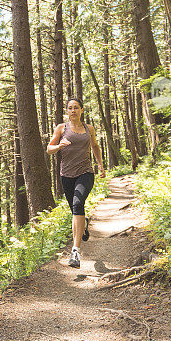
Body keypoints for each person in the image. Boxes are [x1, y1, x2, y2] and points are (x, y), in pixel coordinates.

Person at [46, 98, 105, 268]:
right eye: (70, 108)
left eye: (76, 108)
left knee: (78, 204)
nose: (73, 111)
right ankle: (84, 224)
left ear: (82, 110)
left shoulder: (89, 129)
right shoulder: (61, 128)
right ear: (67, 111)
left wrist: (100, 165)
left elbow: (94, 146)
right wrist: (59, 146)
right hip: (66, 175)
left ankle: (75, 252)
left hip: (85, 173)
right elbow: (49, 149)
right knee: (75, 211)